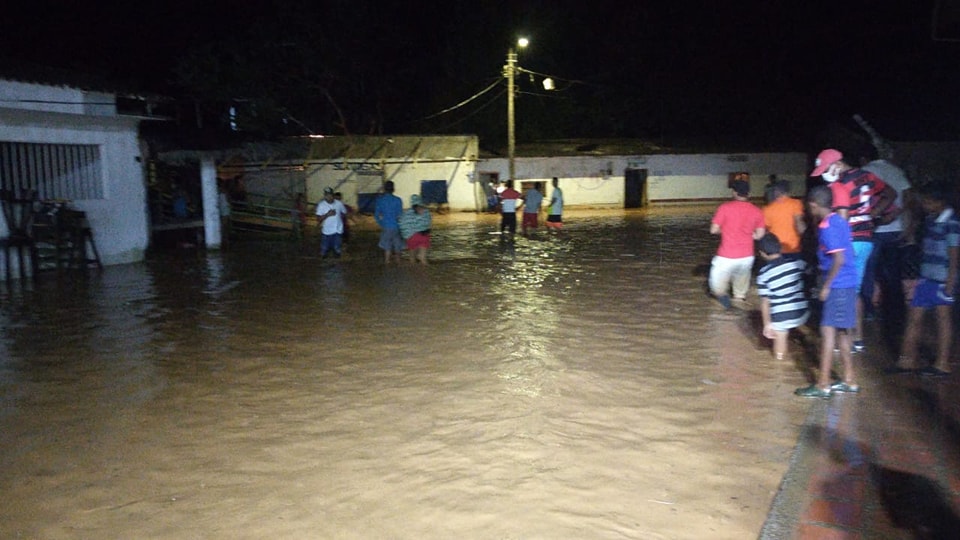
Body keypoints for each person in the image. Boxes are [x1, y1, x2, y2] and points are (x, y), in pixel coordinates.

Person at [810, 147, 896, 352]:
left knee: (844, 290)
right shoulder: (867, 176)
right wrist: (872, 215)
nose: (824, 174)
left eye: (826, 169)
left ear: (837, 164)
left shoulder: (840, 186)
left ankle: (845, 338)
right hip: (866, 239)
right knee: (852, 290)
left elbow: (841, 219)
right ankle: (856, 339)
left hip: (850, 241)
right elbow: (890, 194)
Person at [795, 186, 859, 398]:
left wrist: (826, 286)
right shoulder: (838, 220)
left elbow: (838, 259)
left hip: (838, 285)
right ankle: (849, 380)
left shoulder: (827, 227)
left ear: (813, 205)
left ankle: (822, 384)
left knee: (827, 331)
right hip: (847, 283)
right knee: (842, 333)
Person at [890, 184, 959, 377]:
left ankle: (942, 364)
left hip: (942, 279)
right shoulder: (929, 219)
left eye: (928, 201)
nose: (925, 205)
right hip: (926, 277)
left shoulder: (952, 222)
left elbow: (954, 255)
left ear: (940, 202)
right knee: (913, 318)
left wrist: (950, 283)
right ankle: (906, 361)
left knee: (942, 321)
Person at [860, 153, 910, 334]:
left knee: (869, 272)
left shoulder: (865, 172)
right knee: (893, 273)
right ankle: (896, 311)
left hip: (873, 230)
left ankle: (869, 311)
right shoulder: (897, 171)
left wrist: (873, 216)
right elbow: (907, 198)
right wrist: (904, 224)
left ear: (863, 159)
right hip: (895, 228)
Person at [708, 179, 765, 309]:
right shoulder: (756, 210)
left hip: (726, 256)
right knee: (740, 293)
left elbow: (713, 230)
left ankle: (725, 309)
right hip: (747, 257)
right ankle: (738, 317)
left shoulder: (724, 208)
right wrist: (750, 235)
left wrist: (725, 231)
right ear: (748, 194)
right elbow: (760, 234)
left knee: (716, 289)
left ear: (734, 192)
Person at [757, 233, 810, 360]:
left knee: (780, 339)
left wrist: (767, 324)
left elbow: (765, 302)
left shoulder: (763, 274)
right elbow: (810, 272)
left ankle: (780, 363)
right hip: (803, 312)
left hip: (782, 317)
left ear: (762, 253)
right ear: (781, 248)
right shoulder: (797, 263)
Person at [762, 179, 806, 257]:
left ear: (775, 191)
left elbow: (765, 230)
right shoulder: (796, 204)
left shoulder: (767, 209)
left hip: (776, 249)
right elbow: (799, 225)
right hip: (794, 247)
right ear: (788, 191)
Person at [374, 180, 404, 264]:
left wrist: (381, 223)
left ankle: (387, 262)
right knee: (397, 245)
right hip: (396, 227)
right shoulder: (398, 200)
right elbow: (400, 215)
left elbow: (376, 215)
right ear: (393, 189)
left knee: (387, 247)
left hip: (386, 226)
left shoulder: (380, 200)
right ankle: (398, 263)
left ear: (384, 189)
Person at [399, 194, 432, 264]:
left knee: (412, 257)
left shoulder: (407, 213)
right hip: (424, 236)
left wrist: (405, 236)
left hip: (412, 237)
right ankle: (426, 272)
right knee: (423, 258)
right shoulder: (426, 211)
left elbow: (402, 224)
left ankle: (413, 272)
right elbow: (428, 223)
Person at [315, 187, 347, 258]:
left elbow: (344, 212)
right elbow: (318, 218)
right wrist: (327, 215)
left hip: (337, 230)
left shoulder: (339, 203)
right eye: (327, 195)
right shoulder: (321, 205)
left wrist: (341, 220)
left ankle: (337, 263)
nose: (329, 197)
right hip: (327, 231)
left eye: (330, 195)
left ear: (333, 195)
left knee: (337, 249)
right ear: (324, 196)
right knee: (324, 249)